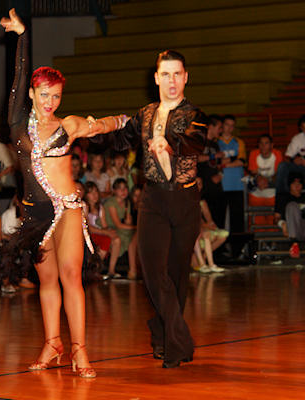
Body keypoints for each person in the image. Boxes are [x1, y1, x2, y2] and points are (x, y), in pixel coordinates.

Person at [0, 9, 128, 378]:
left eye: (57, 96)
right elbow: (18, 75)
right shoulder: (17, 124)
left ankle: (80, 350)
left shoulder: (69, 125)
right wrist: (22, 37)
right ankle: (53, 344)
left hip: (68, 210)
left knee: (70, 276)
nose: (50, 101)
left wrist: (132, 120)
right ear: (32, 94)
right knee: (46, 281)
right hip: (35, 213)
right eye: (44, 94)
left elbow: (105, 125)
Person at [93, 49, 206, 368]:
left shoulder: (195, 115)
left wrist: (168, 142)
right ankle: (179, 342)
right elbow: (120, 141)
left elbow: (195, 141)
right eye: (165, 74)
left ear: (185, 77)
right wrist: (96, 132)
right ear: (156, 78)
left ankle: (161, 333)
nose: (172, 80)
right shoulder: (144, 114)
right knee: (154, 273)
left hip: (184, 200)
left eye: (177, 74)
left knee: (177, 276)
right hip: (153, 199)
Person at [218, 114, 246, 257]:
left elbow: (242, 161)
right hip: (221, 186)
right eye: (227, 125)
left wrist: (224, 163)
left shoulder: (238, 142)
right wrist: (232, 160)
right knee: (219, 219)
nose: (229, 128)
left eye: (232, 126)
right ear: (222, 126)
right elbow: (215, 162)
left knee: (237, 220)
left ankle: (237, 250)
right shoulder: (216, 142)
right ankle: (218, 250)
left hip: (236, 185)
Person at [83, 182, 121, 279]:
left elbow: (104, 225)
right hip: (88, 235)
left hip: (98, 232)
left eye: (96, 191)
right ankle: (95, 269)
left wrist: (109, 231)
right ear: (86, 195)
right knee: (106, 240)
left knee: (116, 239)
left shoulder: (100, 207)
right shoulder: (84, 207)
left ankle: (111, 270)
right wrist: (106, 232)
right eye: (91, 193)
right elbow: (88, 228)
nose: (95, 195)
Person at [104, 179, 138, 279]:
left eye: (125, 188)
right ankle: (113, 270)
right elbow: (118, 224)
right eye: (120, 189)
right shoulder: (111, 203)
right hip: (109, 227)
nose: (123, 191)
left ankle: (133, 269)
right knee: (131, 234)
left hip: (121, 228)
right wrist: (135, 227)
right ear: (114, 191)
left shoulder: (127, 202)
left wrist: (129, 222)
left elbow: (127, 222)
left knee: (134, 236)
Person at [193, 178, 227, 274]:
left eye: (200, 183)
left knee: (221, 235)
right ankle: (204, 263)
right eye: (196, 183)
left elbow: (209, 220)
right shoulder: (186, 200)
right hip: (191, 228)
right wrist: (204, 226)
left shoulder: (202, 202)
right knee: (203, 234)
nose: (198, 186)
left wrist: (210, 226)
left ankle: (207, 261)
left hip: (201, 228)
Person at [197, 114, 225, 227]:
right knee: (205, 220)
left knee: (218, 218)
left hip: (216, 185)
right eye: (219, 127)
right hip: (203, 185)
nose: (221, 130)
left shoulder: (215, 144)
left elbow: (219, 164)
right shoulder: (199, 142)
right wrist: (213, 156)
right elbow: (195, 158)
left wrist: (220, 174)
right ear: (210, 127)